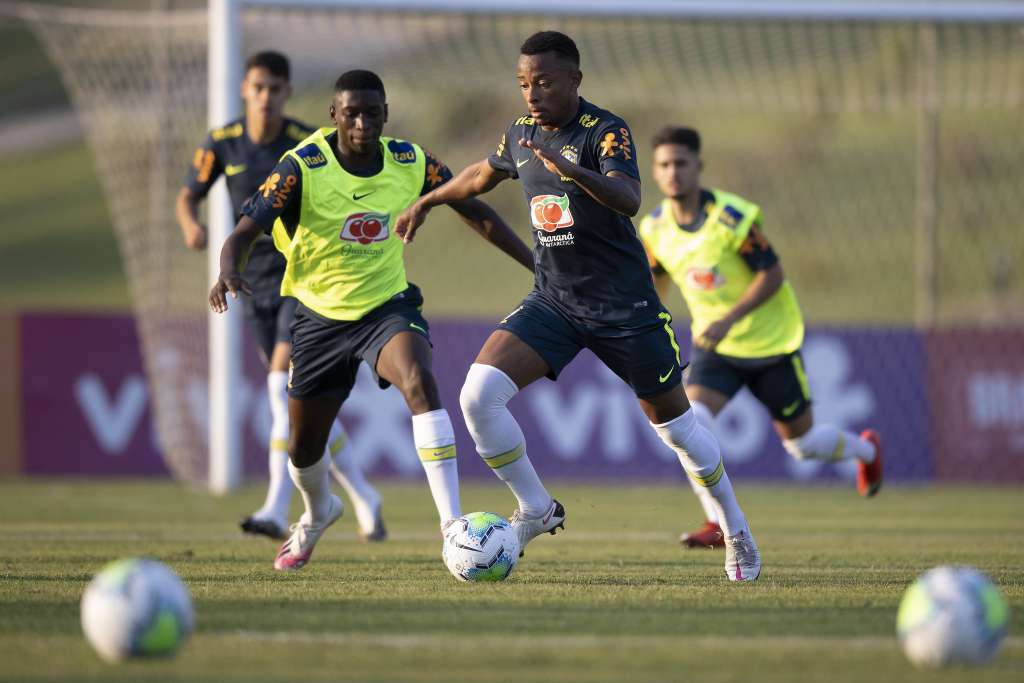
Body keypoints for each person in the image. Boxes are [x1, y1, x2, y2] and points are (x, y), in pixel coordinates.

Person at [396, 32, 761, 581]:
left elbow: (629, 198)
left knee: (678, 430)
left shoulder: (604, 131)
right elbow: (481, 174)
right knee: (478, 396)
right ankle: (536, 507)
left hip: (626, 307)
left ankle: (736, 531)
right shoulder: (520, 132)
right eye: (524, 83)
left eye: (543, 82)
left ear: (574, 80)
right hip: (555, 301)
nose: (532, 94)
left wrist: (574, 172)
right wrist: (429, 200)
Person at [210, 69, 534, 571]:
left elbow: (474, 211)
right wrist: (228, 268)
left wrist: (536, 264)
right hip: (318, 317)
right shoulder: (301, 167)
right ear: (334, 115)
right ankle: (319, 513)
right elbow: (244, 230)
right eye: (352, 113)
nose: (362, 122)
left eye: (372, 113)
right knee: (303, 449)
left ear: (385, 114)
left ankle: (451, 526)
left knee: (419, 381)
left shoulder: (410, 160)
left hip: (386, 307)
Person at [637, 125, 883, 549]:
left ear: (698, 166)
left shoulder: (731, 219)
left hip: (770, 344)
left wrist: (729, 319)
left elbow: (772, 274)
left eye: (681, 163)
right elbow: (655, 282)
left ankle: (867, 452)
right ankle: (716, 522)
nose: (673, 172)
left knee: (803, 446)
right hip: (715, 349)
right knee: (690, 424)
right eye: (664, 165)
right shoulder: (655, 227)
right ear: (655, 172)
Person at [178, 51, 385, 542]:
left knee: (278, 388)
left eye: (274, 88)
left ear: (287, 92)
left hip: (303, 278)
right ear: (244, 90)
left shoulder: (305, 144)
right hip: (250, 284)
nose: (265, 97)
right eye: (258, 87)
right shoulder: (223, 142)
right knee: (299, 405)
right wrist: (191, 225)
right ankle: (363, 495)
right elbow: (190, 192)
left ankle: (275, 507)